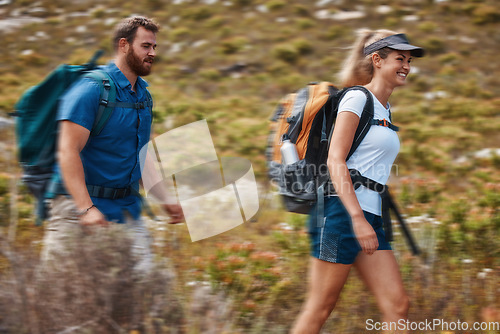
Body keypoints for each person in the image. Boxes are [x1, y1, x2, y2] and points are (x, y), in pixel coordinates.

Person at [291, 30, 425, 333]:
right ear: (377, 60)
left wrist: (366, 219)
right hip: (339, 215)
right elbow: (335, 160)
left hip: (371, 216)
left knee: (398, 305)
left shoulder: (385, 108)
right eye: (398, 59)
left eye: (408, 60)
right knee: (320, 308)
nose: (405, 66)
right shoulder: (356, 98)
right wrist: (356, 218)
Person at [41, 16, 183, 272]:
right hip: (77, 209)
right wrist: (86, 209)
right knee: (58, 294)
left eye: (154, 47)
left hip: (125, 209)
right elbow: (67, 151)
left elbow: (141, 154)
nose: (152, 53)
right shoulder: (91, 89)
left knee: (143, 290)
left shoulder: (143, 96)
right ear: (124, 45)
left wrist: (166, 198)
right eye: (145, 46)